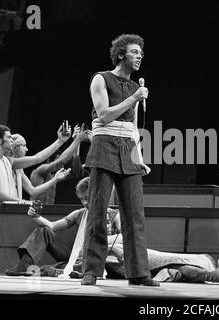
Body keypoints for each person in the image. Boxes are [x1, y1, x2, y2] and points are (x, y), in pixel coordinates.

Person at [80, 33, 156, 286]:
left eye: (141, 54)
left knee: (135, 215)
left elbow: (133, 128)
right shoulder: (101, 78)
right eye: (135, 52)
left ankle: (138, 273)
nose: (139, 57)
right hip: (104, 148)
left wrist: (140, 158)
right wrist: (135, 99)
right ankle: (90, 270)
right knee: (98, 212)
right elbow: (103, 116)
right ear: (121, 54)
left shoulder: (135, 87)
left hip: (128, 152)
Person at [0, 124, 71, 271]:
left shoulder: (9, 162)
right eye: (8, 138)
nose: (12, 140)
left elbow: (37, 158)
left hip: (3, 214)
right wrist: (21, 202)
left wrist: (60, 141)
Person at [4, 177, 121, 277]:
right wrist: (36, 216)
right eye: (81, 199)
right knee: (44, 231)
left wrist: (108, 247)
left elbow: (124, 238)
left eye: (87, 198)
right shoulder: (79, 214)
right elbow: (52, 226)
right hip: (77, 256)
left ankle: (65, 270)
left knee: (49, 268)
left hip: (102, 260)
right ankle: (25, 265)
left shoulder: (113, 215)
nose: (85, 202)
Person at [29, 125, 92, 204]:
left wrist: (77, 142)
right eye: (57, 161)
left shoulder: (56, 176)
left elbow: (77, 171)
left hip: (48, 211)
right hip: (35, 210)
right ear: (49, 161)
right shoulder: (40, 172)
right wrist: (77, 140)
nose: (62, 167)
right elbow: (62, 160)